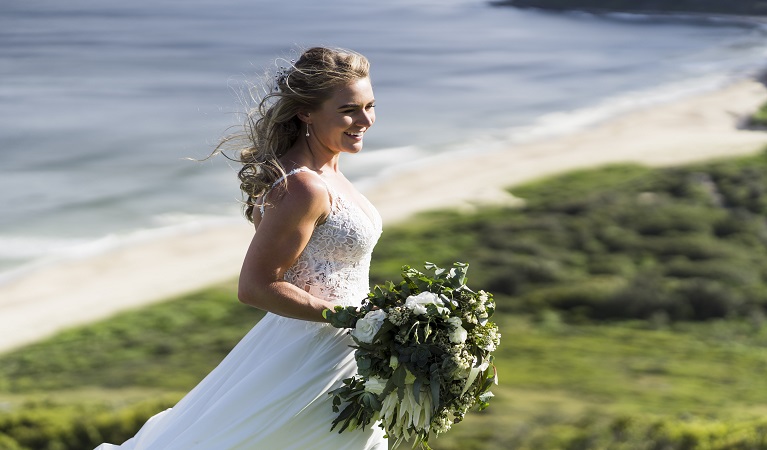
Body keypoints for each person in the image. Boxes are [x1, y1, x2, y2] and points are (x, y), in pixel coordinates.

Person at [95, 46, 387, 449]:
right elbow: (255, 286)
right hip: (309, 359)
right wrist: (352, 317)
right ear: (306, 112)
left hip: (347, 353)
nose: (365, 120)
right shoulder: (303, 186)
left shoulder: (328, 172)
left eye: (370, 106)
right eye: (349, 110)